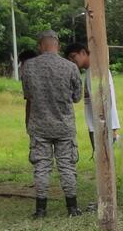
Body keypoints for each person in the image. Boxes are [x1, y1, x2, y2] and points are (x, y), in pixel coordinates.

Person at [19, 30, 83, 218]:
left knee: (41, 167)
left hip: (39, 126)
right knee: (67, 166)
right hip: (64, 126)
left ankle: (40, 210)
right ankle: (72, 208)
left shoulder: (28, 67)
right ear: (58, 45)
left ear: (40, 46)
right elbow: (77, 97)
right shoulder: (70, 67)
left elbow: (28, 96)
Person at [64, 42, 121, 154]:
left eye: (73, 56)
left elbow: (108, 100)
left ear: (83, 52)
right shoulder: (89, 72)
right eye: (69, 58)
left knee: (105, 164)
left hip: (102, 126)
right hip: (94, 126)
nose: (72, 61)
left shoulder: (97, 71)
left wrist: (113, 127)